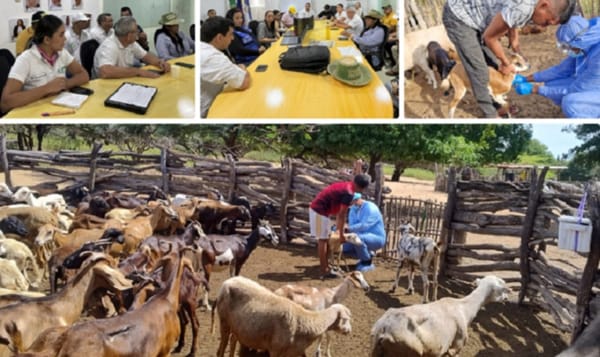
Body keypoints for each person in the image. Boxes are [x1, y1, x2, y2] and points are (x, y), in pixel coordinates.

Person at [443, 0, 576, 118]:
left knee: (493, 63)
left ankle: (495, 100)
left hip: (479, 19)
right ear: (543, 5)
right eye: (547, 22)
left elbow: (511, 17)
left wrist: (514, 39)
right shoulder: (524, 6)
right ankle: (490, 113)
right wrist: (506, 63)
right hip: (459, 17)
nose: (544, 26)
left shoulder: (532, 7)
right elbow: (490, 38)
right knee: (479, 71)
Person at [1, 14, 89, 113]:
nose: (65, 39)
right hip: (34, 113)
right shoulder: (25, 59)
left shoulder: (62, 53)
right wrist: (47, 89)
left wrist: (65, 84)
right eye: (61, 35)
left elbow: (84, 75)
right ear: (47, 40)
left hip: (58, 108)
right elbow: (5, 103)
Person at [515, 15, 600, 118]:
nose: (568, 50)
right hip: (591, 84)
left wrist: (536, 89)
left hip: (593, 87)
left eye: (568, 46)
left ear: (578, 41)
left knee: (571, 104)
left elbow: (575, 89)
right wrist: (526, 79)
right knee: (551, 84)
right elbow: (561, 70)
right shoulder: (584, 45)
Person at [310, 174, 370, 280]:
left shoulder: (349, 186)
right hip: (319, 210)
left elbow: (340, 214)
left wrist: (339, 230)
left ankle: (326, 266)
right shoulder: (349, 193)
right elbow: (341, 214)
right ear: (362, 188)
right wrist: (341, 235)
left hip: (322, 211)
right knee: (322, 240)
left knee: (325, 239)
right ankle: (324, 270)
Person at [200, 16, 251, 118]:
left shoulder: (201, 48)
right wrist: (243, 69)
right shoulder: (213, 58)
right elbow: (244, 82)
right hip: (208, 111)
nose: (232, 38)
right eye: (230, 34)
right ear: (219, 38)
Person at [93, 16, 170, 79]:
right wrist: (138, 72)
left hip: (123, 79)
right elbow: (105, 71)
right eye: (136, 31)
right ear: (129, 36)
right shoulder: (110, 46)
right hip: (106, 85)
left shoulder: (130, 42)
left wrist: (160, 62)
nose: (138, 33)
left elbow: (145, 56)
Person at [341, 195, 386, 272]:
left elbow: (365, 225)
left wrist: (348, 228)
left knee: (358, 239)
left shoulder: (371, 208)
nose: (350, 205)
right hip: (360, 236)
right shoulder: (353, 209)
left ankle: (367, 262)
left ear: (357, 199)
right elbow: (352, 225)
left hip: (376, 237)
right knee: (344, 248)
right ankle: (368, 254)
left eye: (351, 202)